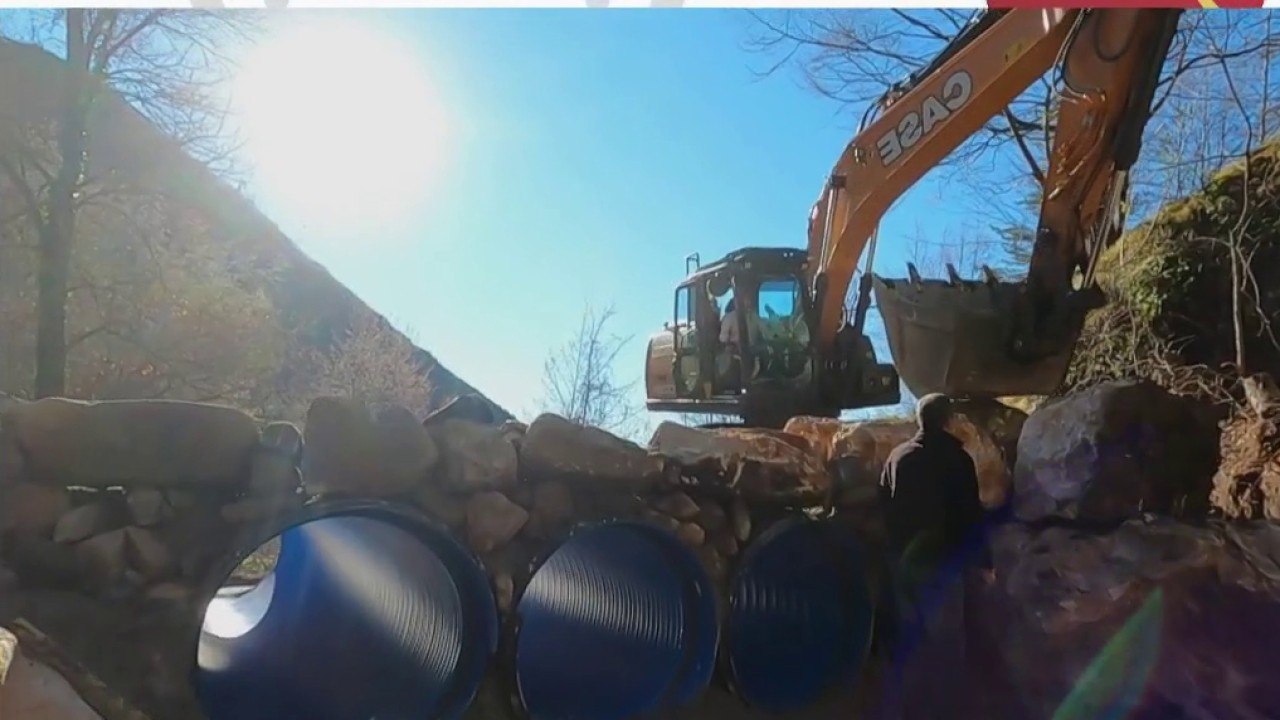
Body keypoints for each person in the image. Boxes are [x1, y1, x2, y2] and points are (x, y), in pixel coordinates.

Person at [875, 392, 995, 719]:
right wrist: (985, 562)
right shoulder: (957, 459)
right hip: (941, 563)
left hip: (902, 562)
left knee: (909, 640)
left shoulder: (897, 456)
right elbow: (969, 513)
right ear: (947, 421)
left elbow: (883, 505)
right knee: (947, 645)